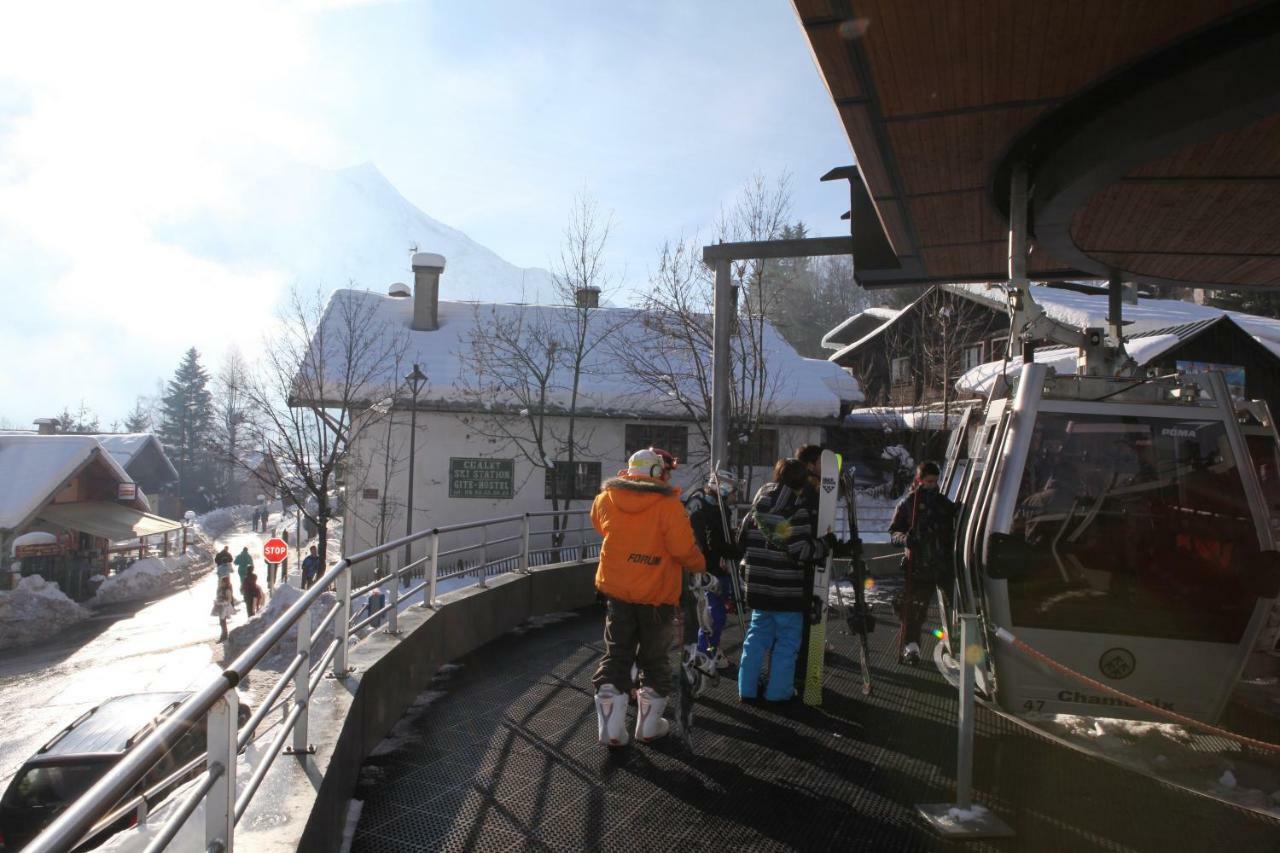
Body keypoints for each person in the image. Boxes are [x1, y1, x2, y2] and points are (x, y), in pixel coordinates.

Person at [591, 447, 705, 746]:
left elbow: (600, 526)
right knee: (654, 658)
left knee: (617, 654)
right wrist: (699, 564)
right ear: (658, 472)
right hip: (657, 596)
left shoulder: (606, 499)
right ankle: (649, 727)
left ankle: (611, 730)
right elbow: (683, 550)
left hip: (617, 593)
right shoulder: (668, 506)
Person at [737, 458, 835, 703]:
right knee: (786, 644)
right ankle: (778, 692)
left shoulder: (756, 506)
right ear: (801, 483)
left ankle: (746, 688)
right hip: (787, 589)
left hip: (758, 588)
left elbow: (742, 540)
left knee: (756, 640)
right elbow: (801, 549)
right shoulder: (796, 509)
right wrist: (824, 545)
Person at [889, 461, 956, 666]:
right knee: (915, 609)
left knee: (956, 605)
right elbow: (894, 533)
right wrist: (906, 539)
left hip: (944, 565)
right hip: (918, 566)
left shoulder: (945, 504)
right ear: (919, 480)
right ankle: (912, 647)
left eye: (935, 481)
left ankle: (959, 642)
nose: (932, 485)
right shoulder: (908, 504)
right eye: (928, 481)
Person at [685, 469, 740, 669]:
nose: (735, 497)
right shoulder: (701, 506)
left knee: (718, 613)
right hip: (707, 569)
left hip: (717, 566)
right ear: (723, 488)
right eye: (733, 491)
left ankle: (711, 649)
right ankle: (703, 653)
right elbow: (707, 542)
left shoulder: (720, 506)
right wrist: (730, 550)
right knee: (712, 614)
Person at [212, 575, 238, 642]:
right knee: (221, 622)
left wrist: (223, 602)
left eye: (222, 582)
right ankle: (224, 634)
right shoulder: (220, 589)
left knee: (222, 622)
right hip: (220, 606)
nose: (221, 583)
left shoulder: (227, 590)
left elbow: (229, 599)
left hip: (224, 607)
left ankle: (224, 635)